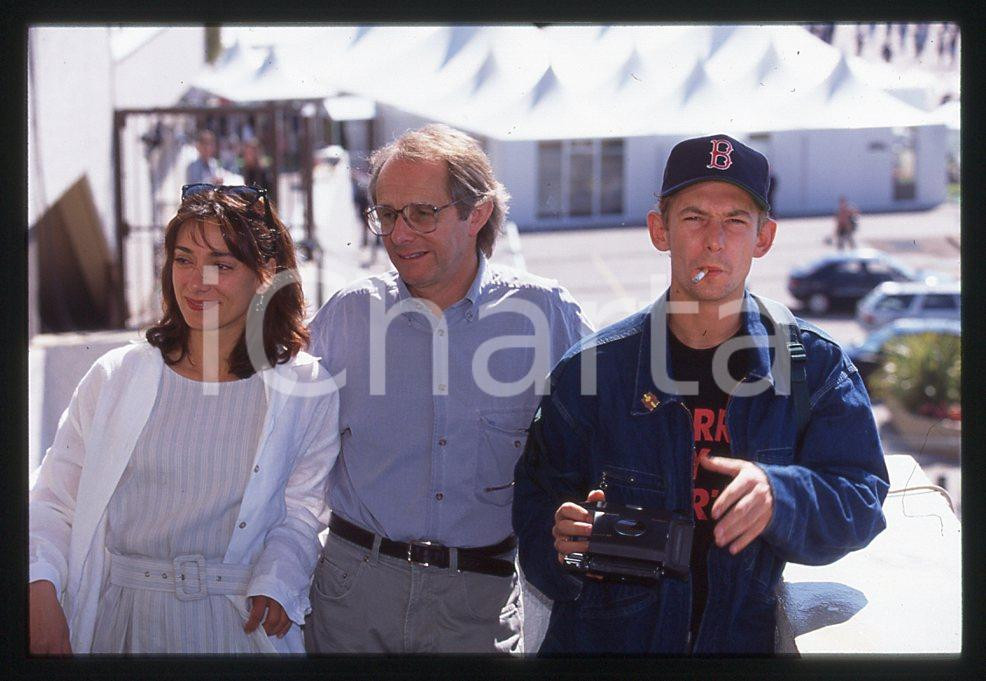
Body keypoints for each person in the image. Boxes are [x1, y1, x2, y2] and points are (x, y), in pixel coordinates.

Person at [512, 134, 889, 654]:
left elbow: (863, 498)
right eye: (693, 218)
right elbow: (534, 506)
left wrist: (782, 496)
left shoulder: (813, 366)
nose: (714, 241)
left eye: (735, 220)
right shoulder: (591, 371)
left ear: (764, 237)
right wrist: (561, 541)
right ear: (658, 230)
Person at [303, 123, 592, 654]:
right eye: (387, 215)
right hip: (351, 597)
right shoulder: (348, 314)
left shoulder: (544, 314)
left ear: (476, 213)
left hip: (478, 607)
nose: (399, 233)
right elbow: (281, 438)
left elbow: (608, 429)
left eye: (421, 212)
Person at [29, 184, 341, 654]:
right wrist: (40, 594)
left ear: (267, 274)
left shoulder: (305, 387)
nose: (197, 281)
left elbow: (304, 513)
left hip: (242, 631)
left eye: (222, 264)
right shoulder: (116, 376)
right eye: (184, 259)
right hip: (122, 625)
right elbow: (53, 503)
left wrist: (278, 579)